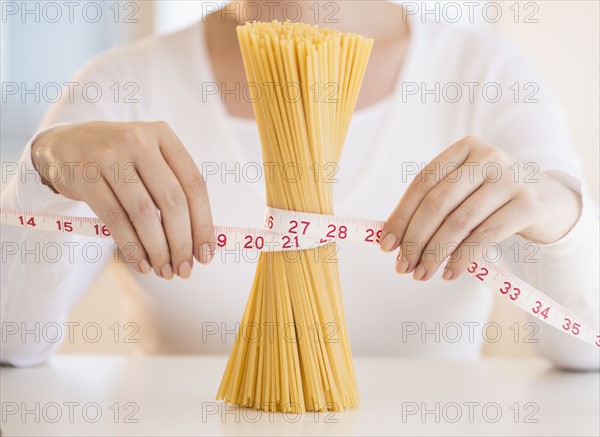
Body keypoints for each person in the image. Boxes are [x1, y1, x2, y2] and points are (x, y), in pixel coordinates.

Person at [1, 1, 598, 369]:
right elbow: (11, 344)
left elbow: (584, 351)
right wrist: (40, 174)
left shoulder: (487, 75)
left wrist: (555, 214)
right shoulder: (120, 84)